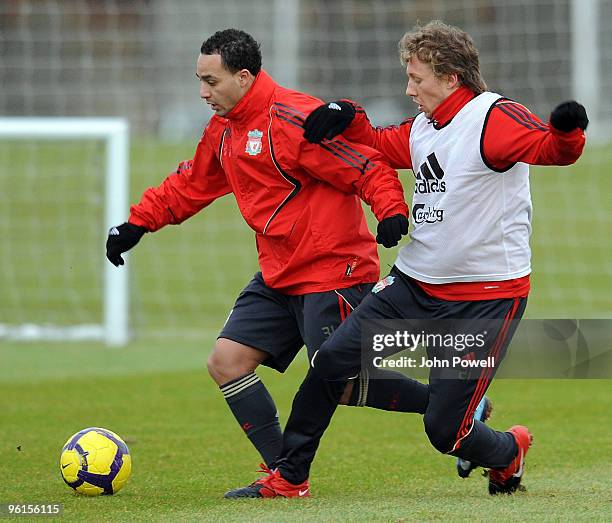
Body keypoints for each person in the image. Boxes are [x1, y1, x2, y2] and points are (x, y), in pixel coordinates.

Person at [227, 20, 587, 497]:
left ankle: (506, 451)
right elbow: (377, 141)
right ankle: (289, 476)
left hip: (483, 300)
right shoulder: (424, 127)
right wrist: (346, 115)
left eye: (417, 78)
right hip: (414, 287)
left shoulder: (492, 117)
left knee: (445, 431)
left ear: (450, 77)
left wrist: (568, 131)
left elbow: (550, 149)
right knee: (331, 362)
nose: (408, 88)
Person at [105, 28, 435, 497]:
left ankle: (452, 408)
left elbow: (367, 165)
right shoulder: (224, 129)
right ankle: (285, 473)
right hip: (279, 273)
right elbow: (191, 184)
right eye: (199, 80)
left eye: (211, 81)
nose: (203, 92)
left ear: (243, 76)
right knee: (226, 361)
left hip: (332, 270)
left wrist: (390, 210)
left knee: (336, 381)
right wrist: (137, 224)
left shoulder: (293, 119)